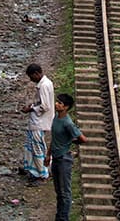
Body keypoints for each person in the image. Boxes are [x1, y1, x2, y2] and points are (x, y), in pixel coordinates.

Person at [47, 93, 86, 221]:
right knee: (58, 191)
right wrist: (48, 155)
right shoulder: (56, 118)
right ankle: (59, 217)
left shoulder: (68, 123)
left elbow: (82, 139)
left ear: (66, 107)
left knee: (65, 192)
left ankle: (64, 218)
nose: (57, 104)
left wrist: (70, 142)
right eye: (57, 102)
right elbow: (54, 138)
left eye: (60, 103)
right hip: (56, 158)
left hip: (64, 160)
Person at [19, 63, 54, 183]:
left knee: (37, 148)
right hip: (39, 122)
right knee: (34, 147)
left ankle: (41, 173)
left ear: (36, 74)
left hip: (39, 122)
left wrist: (31, 109)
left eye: (31, 77)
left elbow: (45, 106)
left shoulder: (44, 86)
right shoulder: (46, 83)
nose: (31, 79)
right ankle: (35, 169)